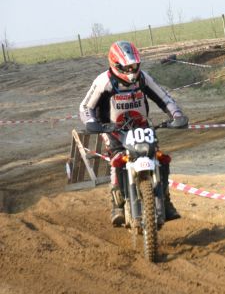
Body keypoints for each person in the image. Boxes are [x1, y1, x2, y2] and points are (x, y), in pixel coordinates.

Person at [79, 41, 189, 226]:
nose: (131, 71)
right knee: (117, 159)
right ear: (115, 65)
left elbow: (164, 98)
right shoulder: (104, 81)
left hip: (141, 127)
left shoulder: (143, 78)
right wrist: (92, 123)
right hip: (113, 129)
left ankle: (166, 200)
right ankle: (117, 205)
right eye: (127, 67)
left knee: (159, 158)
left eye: (134, 66)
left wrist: (176, 114)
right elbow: (85, 107)